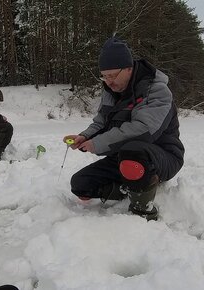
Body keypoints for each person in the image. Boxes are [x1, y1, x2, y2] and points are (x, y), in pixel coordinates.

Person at [63, 37, 184, 221]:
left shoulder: (157, 90)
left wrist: (97, 143)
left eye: (112, 75)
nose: (108, 81)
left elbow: (142, 130)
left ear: (129, 68)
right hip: (123, 157)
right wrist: (84, 136)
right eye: (104, 76)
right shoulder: (111, 92)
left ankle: (142, 213)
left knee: (133, 151)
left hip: (162, 156)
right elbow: (101, 122)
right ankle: (130, 185)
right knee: (80, 184)